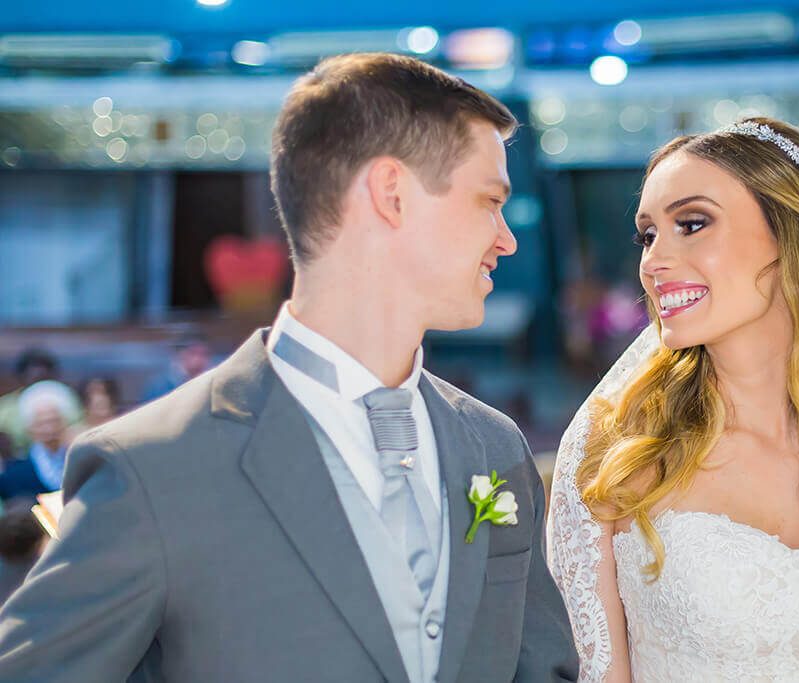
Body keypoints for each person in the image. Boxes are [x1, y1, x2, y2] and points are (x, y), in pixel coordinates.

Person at [0, 53, 577, 682]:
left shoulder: (494, 448)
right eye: (488, 201)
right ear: (392, 195)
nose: (506, 237)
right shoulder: (152, 470)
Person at [548, 117, 799, 681]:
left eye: (691, 224)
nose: (653, 261)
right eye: (647, 235)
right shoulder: (618, 453)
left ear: (791, 237)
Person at [0, 381, 75, 502]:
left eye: (54, 421)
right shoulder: (15, 474)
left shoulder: (80, 462)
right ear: (29, 428)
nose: (49, 429)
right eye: (41, 424)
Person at [0, 348, 81, 453]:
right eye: (35, 380)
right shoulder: (5, 408)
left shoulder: (69, 401)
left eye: (45, 379)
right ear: (22, 378)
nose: (41, 389)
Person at [140, 333, 212, 402]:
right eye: (193, 353)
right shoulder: (160, 386)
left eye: (204, 354)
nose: (199, 359)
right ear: (180, 354)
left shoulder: (211, 385)